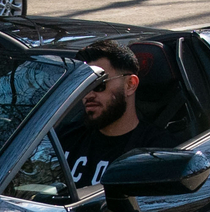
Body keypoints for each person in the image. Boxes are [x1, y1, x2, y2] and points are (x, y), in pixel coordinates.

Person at [59, 38, 180, 187]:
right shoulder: (63, 138)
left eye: (98, 83)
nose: (88, 94)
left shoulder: (156, 153)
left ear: (130, 85)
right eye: (83, 85)